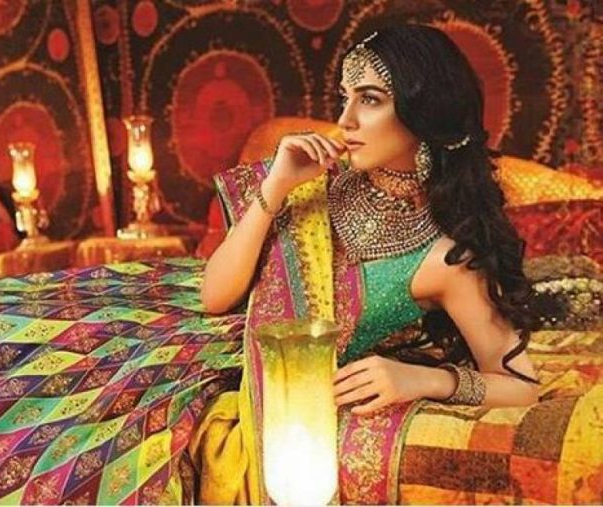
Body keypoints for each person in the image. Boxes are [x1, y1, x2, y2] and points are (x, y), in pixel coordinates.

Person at [192, 24, 541, 505]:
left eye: (370, 100)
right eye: (345, 97)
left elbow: (522, 387)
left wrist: (421, 379)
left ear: (424, 113)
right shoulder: (311, 181)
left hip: (273, 391)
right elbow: (214, 297)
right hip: (200, 354)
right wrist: (275, 186)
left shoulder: (446, 259)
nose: (345, 119)